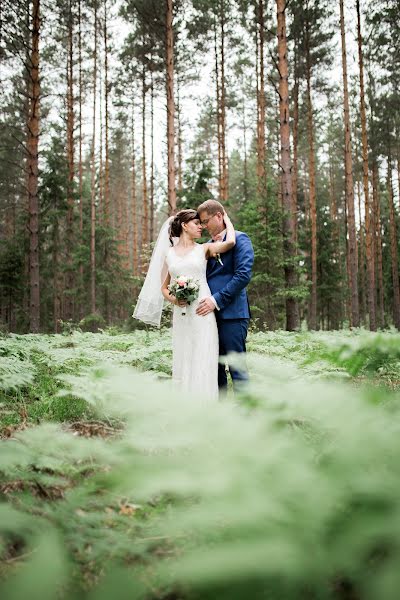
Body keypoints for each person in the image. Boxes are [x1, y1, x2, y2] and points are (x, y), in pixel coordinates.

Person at [133, 209, 236, 400]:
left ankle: (206, 406)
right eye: (196, 223)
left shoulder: (204, 248)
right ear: (184, 225)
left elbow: (230, 242)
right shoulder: (169, 254)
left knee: (204, 355)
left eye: (201, 223)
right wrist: (174, 299)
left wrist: (227, 219)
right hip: (182, 314)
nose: (201, 227)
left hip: (203, 310)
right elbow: (163, 288)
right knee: (184, 356)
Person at [196, 199, 254, 392]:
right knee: (214, 369)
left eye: (205, 221)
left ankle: (245, 415)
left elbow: (243, 275)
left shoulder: (240, 239)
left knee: (237, 367)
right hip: (208, 317)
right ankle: (220, 414)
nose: (203, 227)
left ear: (219, 216)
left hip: (233, 315)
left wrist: (216, 300)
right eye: (201, 223)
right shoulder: (206, 247)